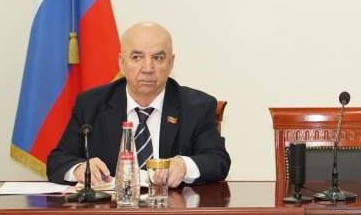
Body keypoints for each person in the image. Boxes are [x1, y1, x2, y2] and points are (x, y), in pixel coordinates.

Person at [46, 22, 231, 187]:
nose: (148, 68)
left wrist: (184, 165)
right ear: (122, 63)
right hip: (111, 211)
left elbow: (218, 160)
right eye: (136, 57)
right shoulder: (91, 104)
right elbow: (58, 161)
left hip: (171, 209)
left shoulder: (197, 107)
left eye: (158, 58)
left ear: (170, 63)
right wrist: (80, 168)